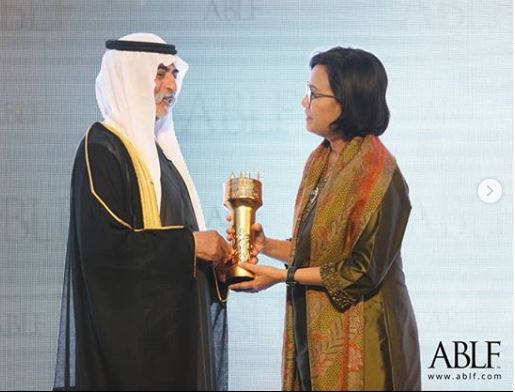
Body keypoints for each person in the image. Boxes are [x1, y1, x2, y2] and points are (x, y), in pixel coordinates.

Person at [229, 47, 421, 390]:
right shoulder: (320, 160)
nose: (305, 103)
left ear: (348, 102)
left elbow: (360, 271)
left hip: (368, 340)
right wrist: (267, 245)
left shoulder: (380, 174)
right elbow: (319, 252)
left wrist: (281, 277)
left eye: (315, 95)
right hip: (315, 328)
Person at [53, 33, 231, 391]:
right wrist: (191, 246)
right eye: (159, 73)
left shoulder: (161, 157)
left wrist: (219, 267)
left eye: (174, 74)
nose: (171, 86)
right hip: (129, 356)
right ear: (129, 77)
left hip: (175, 340)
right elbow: (105, 250)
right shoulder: (102, 148)